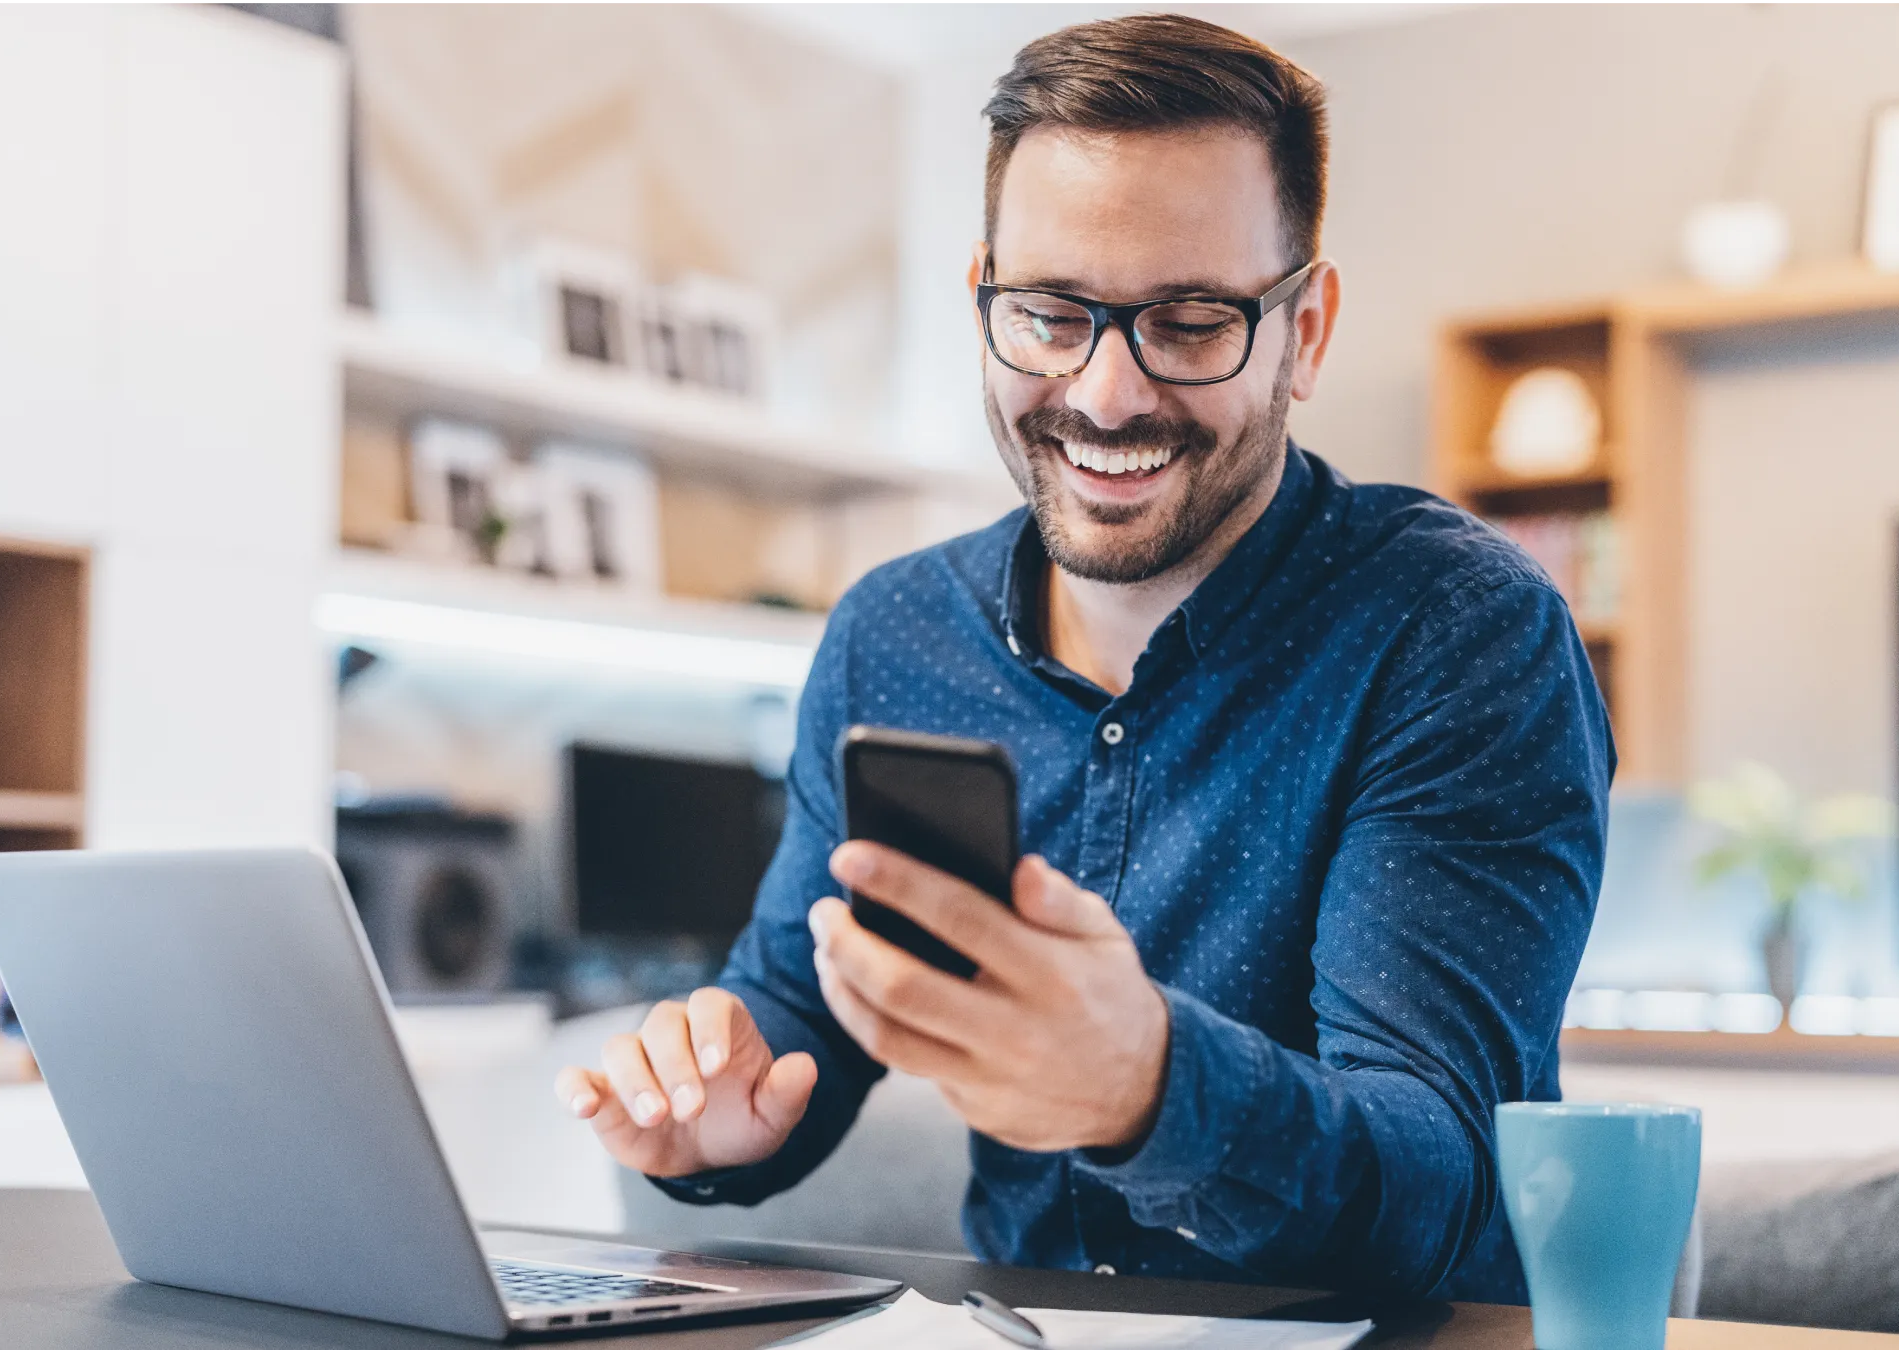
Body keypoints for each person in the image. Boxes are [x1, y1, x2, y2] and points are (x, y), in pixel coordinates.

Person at [556, 13, 1610, 1302]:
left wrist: (1151, 1089)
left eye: (1189, 320)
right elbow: (796, 1008)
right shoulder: (893, 636)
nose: (1106, 395)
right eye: (1053, 314)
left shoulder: (1455, 632)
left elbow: (1444, 1178)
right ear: (986, 300)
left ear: (1307, 332)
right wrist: (714, 1116)